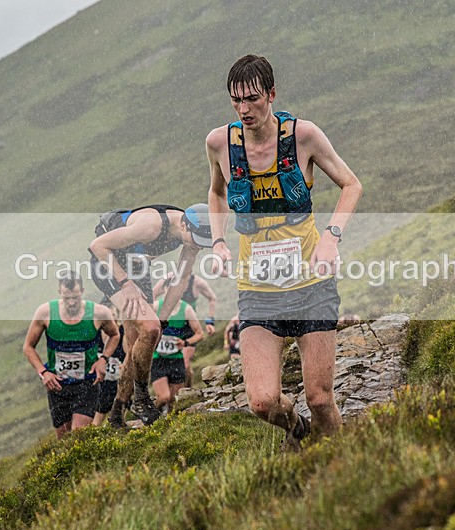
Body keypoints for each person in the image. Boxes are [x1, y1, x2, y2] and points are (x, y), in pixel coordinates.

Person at [206, 55, 363, 451]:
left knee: (321, 398)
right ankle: (297, 428)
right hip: (258, 290)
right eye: (236, 101)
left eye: (253, 99)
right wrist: (219, 241)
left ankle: (341, 468)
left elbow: (352, 185)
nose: (244, 110)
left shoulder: (303, 136)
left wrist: (331, 236)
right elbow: (216, 192)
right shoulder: (220, 143)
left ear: (271, 95)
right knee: (261, 402)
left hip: (311, 284)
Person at [88, 204, 213, 427]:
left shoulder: (192, 235)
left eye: (202, 244)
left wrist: (163, 319)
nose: (197, 247)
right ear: (184, 225)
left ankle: (117, 413)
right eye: (195, 240)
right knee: (150, 328)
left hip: (137, 265)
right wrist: (126, 285)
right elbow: (97, 246)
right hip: (108, 263)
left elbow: (181, 279)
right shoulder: (152, 226)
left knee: (145, 338)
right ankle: (142, 399)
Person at [23, 273, 120, 439]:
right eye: (67, 298)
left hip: (87, 383)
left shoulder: (99, 313)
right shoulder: (46, 313)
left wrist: (103, 359)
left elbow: (115, 335)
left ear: (82, 291)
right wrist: (43, 373)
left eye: (75, 297)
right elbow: (28, 347)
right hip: (58, 385)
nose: (72, 302)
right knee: (64, 439)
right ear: (59, 292)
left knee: (78, 437)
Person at [153, 271, 218, 387]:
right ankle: (168, 391)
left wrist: (210, 322)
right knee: (169, 361)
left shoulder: (197, 282)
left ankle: (187, 391)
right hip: (170, 323)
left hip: (188, 326)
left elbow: (212, 298)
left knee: (185, 365)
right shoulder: (168, 279)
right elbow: (152, 296)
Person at [151, 297, 204, 413]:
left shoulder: (186, 309)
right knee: (163, 397)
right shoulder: (156, 306)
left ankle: (168, 425)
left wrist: (185, 342)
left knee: (175, 401)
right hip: (157, 359)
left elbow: (200, 333)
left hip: (176, 359)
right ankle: (152, 416)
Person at [93, 300, 127, 426]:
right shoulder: (95, 334)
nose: (111, 318)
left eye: (113, 315)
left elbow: (128, 352)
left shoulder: (123, 332)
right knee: (96, 421)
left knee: (118, 420)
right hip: (99, 383)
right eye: (108, 316)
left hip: (119, 382)